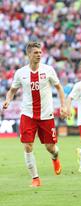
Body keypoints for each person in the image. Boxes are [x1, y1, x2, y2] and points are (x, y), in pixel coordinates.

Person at [2, 41, 66, 187]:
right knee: (27, 145)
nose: (39, 55)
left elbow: (59, 88)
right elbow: (13, 90)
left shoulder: (48, 70)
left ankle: (55, 157)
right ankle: (35, 179)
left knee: (50, 147)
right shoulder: (21, 73)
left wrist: (63, 106)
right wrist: (7, 100)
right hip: (28, 115)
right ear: (28, 54)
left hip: (46, 115)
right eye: (35, 53)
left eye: (40, 52)